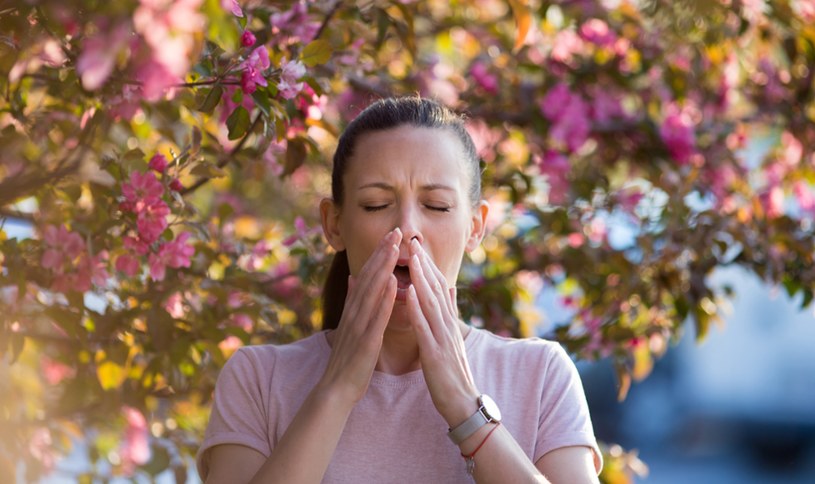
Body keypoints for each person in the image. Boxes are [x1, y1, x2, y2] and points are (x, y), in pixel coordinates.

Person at [196, 96, 603, 483]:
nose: (407, 228)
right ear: (333, 224)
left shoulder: (540, 374)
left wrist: (466, 408)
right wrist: (337, 391)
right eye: (375, 204)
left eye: (437, 206)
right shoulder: (259, 379)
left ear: (475, 227)